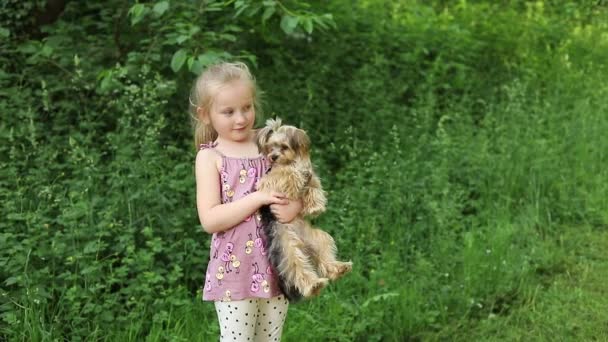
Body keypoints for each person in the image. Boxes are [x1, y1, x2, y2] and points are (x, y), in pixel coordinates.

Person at [190, 61, 302, 342]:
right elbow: (211, 219)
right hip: (233, 272)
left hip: (276, 266)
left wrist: (294, 207)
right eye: (228, 112)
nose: (240, 119)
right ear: (205, 115)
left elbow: (295, 190)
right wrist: (258, 198)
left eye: (247, 108)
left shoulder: (268, 144)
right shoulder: (210, 157)